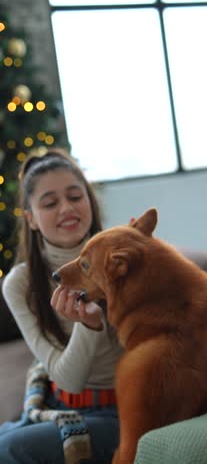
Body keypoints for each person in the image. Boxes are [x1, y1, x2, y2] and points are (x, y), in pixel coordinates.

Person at [0, 147, 123, 464]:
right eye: (50, 203)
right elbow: (65, 380)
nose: (67, 208)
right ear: (32, 219)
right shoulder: (20, 283)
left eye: (75, 196)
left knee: (8, 451)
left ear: (89, 202)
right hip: (55, 404)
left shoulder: (121, 259)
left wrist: (90, 325)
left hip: (122, 408)